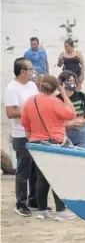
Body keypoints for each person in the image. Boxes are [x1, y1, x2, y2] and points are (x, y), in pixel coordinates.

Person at [20, 75, 77, 220]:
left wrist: (32, 140)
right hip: (55, 143)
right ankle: (60, 211)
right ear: (55, 88)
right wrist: (64, 94)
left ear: (40, 86)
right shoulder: (56, 102)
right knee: (57, 177)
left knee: (41, 177)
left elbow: (25, 124)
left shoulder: (30, 101)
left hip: (36, 143)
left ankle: (43, 211)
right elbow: (72, 114)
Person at [4, 57, 40, 217]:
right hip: (20, 134)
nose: (33, 72)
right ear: (23, 72)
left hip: (36, 133)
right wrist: (29, 113)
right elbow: (10, 112)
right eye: (30, 69)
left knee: (35, 169)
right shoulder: (12, 88)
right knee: (23, 170)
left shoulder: (32, 85)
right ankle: (20, 203)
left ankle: (33, 200)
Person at [56, 71, 85, 150]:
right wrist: (68, 124)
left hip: (83, 133)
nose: (73, 83)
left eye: (74, 81)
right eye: (70, 81)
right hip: (65, 134)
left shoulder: (81, 96)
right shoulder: (57, 99)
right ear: (63, 83)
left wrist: (84, 121)